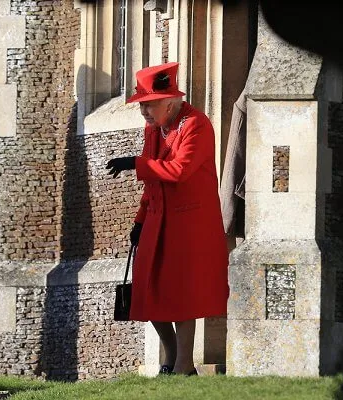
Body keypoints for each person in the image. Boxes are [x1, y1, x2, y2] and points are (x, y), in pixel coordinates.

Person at [106, 62, 229, 376]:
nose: (144, 112)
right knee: (148, 291)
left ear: (171, 102)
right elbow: (153, 183)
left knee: (183, 294)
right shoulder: (153, 130)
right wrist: (139, 219)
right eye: (142, 106)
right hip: (157, 220)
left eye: (149, 106)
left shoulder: (196, 125)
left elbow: (179, 171)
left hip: (189, 225)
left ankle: (184, 365)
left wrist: (136, 163)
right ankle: (171, 353)